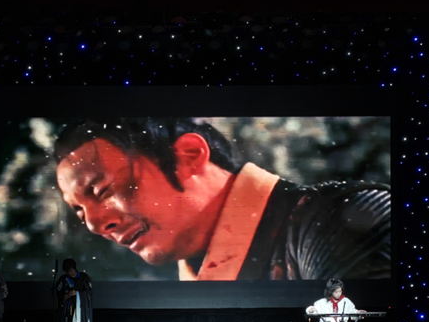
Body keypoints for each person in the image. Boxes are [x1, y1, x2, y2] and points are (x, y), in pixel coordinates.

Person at [54, 118, 390, 281]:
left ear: (190, 155)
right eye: (80, 213)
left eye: (102, 191)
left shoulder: (335, 218)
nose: (95, 224)